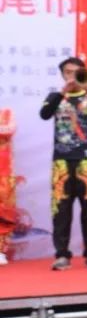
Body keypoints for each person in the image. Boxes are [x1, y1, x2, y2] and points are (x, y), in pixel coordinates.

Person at [39, 58, 87, 270]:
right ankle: (62, 255)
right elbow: (44, 114)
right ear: (62, 74)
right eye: (68, 72)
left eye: (76, 72)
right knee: (61, 210)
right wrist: (63, 92)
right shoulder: (55, 97)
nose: (72, 76)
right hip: (61, 161)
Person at [0, 107, 15, 265]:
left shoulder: (6, 113)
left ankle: (0, 250)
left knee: (4, 211)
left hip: (3, 172)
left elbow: (9, 130)